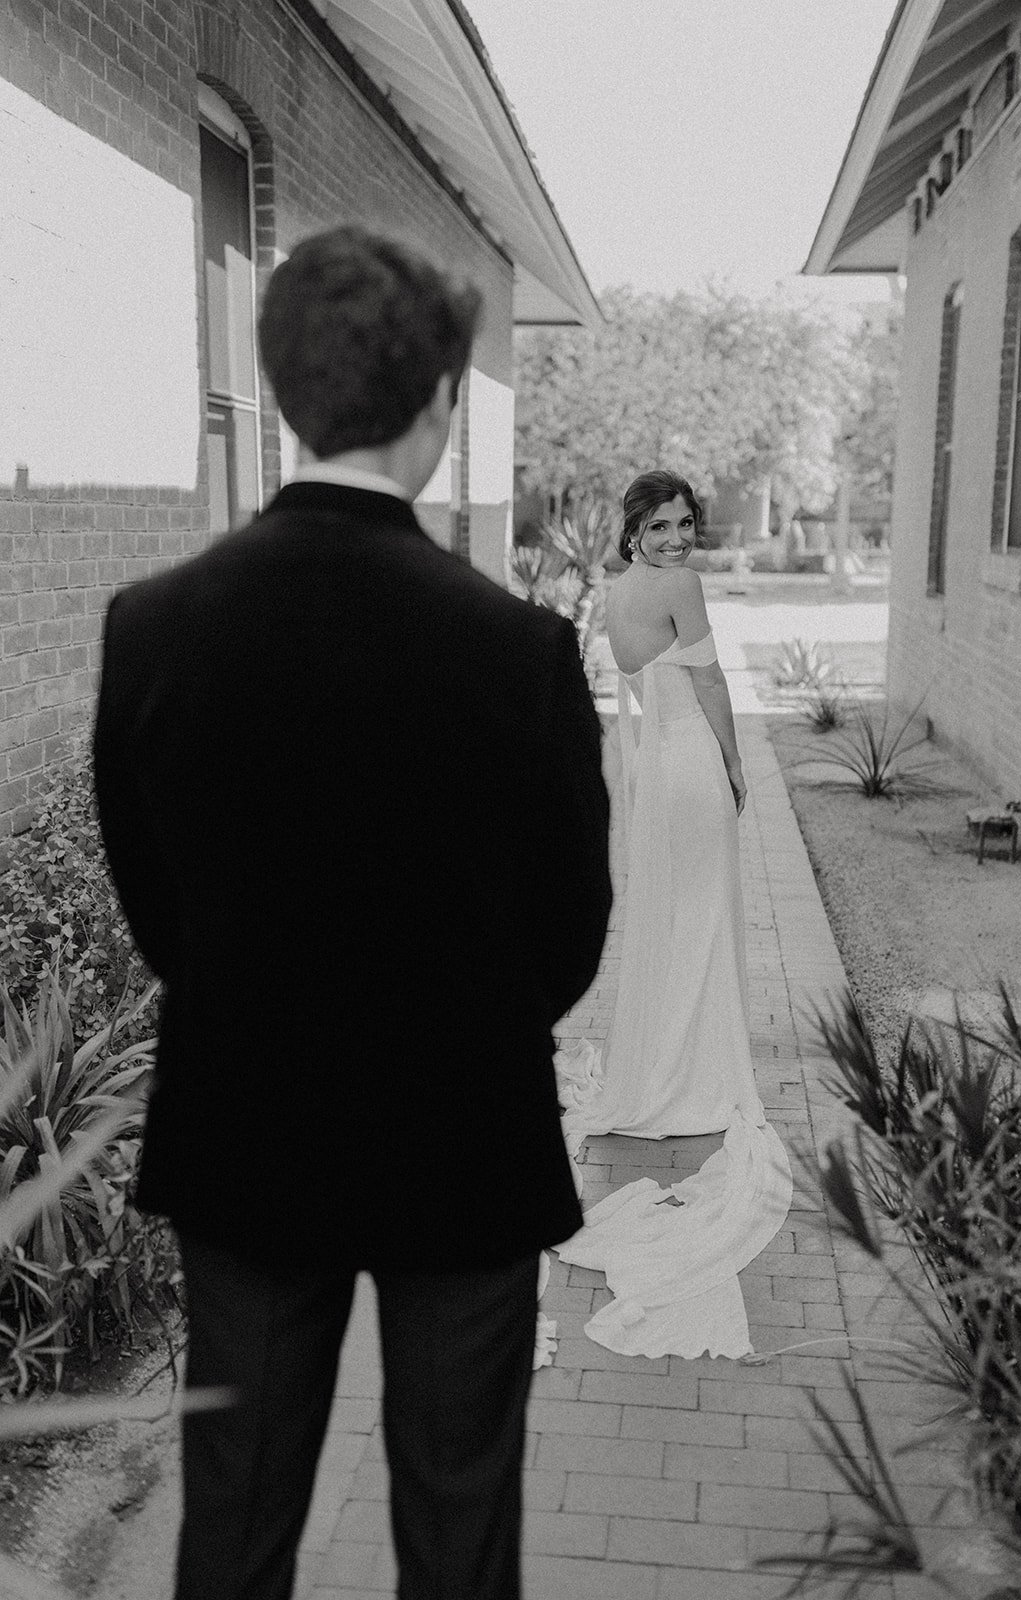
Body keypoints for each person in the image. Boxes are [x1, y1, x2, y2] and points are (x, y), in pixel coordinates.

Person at [93, 226, 612, 1600]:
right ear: (441, 405)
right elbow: (571, 925)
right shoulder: (518, 652)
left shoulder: (153, 627)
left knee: (237, 1532)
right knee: (456, 1536)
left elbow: (160, 909)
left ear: (279, 391)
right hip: (466, 1140)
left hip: (248, 1136)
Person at [554, 469, 791, 1361]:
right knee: (700, 916)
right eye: (660, 525)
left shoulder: (614, 592)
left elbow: (637, 681)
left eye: (686, 524)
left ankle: (667, 1056)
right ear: (635, 528)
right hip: (688, 761)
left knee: (672, 916)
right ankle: (696, 1066)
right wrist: (734, 769)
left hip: (651, 772)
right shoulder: (680, 589)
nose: (677, 538)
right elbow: (715, 684)